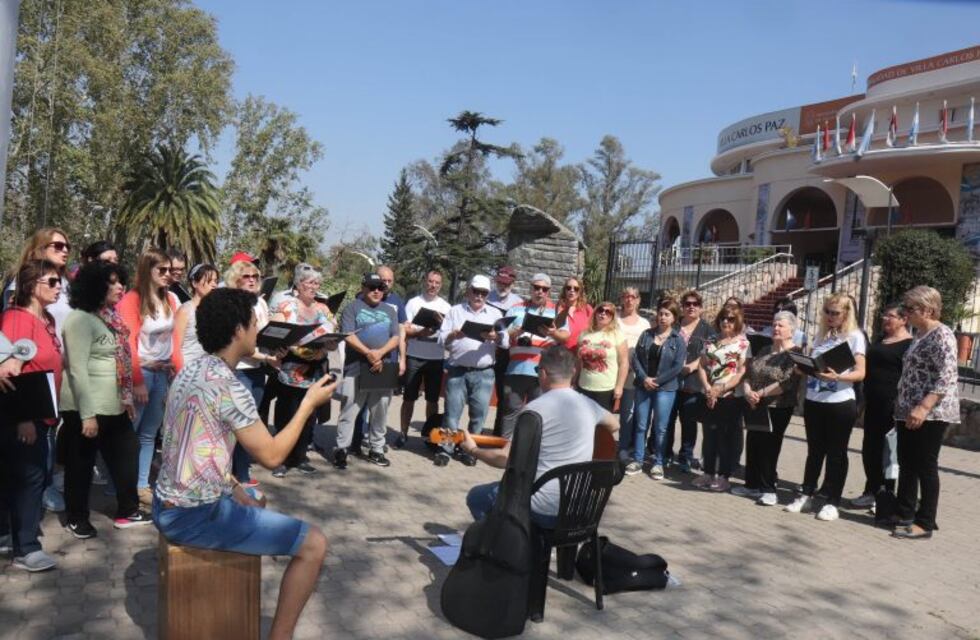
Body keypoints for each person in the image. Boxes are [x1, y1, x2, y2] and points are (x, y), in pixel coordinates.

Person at [153, 287, 334, 640]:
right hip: (193, 515)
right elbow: (272, 456)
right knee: (315, 545)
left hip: (169, 504)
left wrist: (235, 488)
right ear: (238, 330)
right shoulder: (229, 386)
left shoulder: (191, 371)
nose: (259, 329)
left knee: (255, 497)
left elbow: (197, 449)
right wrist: (308, 404)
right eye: (255, 322)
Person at [463, 346, 619, 527]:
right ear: (574, 372)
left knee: (477, 497)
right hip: (578, 508)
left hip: (541, 507)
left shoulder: (534, 410)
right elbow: (615, 425)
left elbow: (504, 459)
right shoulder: (589, 405)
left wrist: (473, 450)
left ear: (543, 373)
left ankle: (505, 548)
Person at [59, 260, 151, 540]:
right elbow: (76, 369)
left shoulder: (111, 317)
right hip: (84, 406)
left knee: (128, 451)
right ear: (94, 286)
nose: (119, 286)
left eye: (120, 281)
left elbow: (120, 362)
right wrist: (87, 415)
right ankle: (76, 517)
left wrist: (125, 400)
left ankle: (128, 510)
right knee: (81, 465)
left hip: (113, 404)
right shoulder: (79, 319)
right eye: (111, 282)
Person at [0, 260, 65, 571]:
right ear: (30, 286)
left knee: (33, 475)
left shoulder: (47, 319)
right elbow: (9, 373)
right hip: (26, 416)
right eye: (51, 281)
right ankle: (26, 548)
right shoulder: (16, 319)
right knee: (30, 478)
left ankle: (11, 536)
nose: (58, 286)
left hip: (45, 414)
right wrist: (24, 419)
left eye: (59, 281)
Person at [785, 293, 866, 522]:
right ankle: (807, 493)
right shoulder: (821, 336)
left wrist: (838, 376)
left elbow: (861, 372)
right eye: (827, 312)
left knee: (836, 453)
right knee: (814, 451)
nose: (830, 317)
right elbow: (815, 364)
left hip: (839, 402)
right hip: (814, 400)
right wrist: (804, 367)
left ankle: (832, 501)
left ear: (846, 314)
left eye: (835, 313)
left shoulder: (854, 337)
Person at [891, 286, 959, 540]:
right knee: (907, 462)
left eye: (911, 309)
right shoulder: (920, 334)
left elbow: (947, 376)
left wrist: (923, 406)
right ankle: (905, 512)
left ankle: (925, 522)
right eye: (905, 308)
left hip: (930, 413)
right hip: (907, 410)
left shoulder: (942, 335)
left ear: (929, 309)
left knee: (925, 465)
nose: (905, 313)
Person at [117, 248, 180, 506]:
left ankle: (142, 484)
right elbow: (127, 344)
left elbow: (175, 341)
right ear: (148, 270)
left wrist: (177, 371)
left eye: (170, 270)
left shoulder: (171, 300)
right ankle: (121, 485)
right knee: (128, 433)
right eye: (161, 270)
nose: (168, 275)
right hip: (140, 372)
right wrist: (137, 380)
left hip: (162, 374)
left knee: (149, 434)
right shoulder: (132, 299)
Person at [270, 264, 335, 478]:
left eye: (317, 283)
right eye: (309, 282)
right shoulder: (287, 305)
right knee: (287, 414)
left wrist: (324, 348)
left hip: (315, 369)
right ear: (299, 284)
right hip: (290, 368)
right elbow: (276, 332)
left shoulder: (323, 309)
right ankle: (280, 459)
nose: (314, 286)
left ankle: (300, 457)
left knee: (309, 415)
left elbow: (333, 340)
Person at [332, 273, 401, 470]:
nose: (377, 291)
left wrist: (379, 354)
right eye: (372, 287)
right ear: (363, 288)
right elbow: (348, 336)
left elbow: (396, 337)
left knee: (380, 411)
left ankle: (376, 449)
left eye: (380, 287)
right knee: (350, 409)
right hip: (356, 366)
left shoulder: (390, 310)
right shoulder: (352, 308)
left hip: (382, 366)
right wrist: (369, 353)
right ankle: (341, 449)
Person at [736, 311, 803, 505]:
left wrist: (761, 393)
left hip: (778, 406)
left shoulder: (795, 353)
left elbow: (788, 382)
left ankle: (769, 489)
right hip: (755, 404)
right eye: (774, 324)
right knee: (754, 442)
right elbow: (749, 373)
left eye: (780, 325)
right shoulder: (765, 350)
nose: (776, 328)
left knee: (770, 446)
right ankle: (752, 485)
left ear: (791, 330)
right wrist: (748, 390)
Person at [851, 302, 911, 511]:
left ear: (904, 319)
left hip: (892, 405)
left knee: (889, 452)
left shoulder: (908, 345)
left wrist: (899, 403)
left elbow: (907, 377)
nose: (886, 319)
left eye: (891, 316)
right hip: (873, 403)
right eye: (884, 315)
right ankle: (871, 490)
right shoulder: (880, 340)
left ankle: (886, 495)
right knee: (870, 449)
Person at [438, 275, 503, 465]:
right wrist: (453, 334)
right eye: (476, 291)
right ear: (469, 291)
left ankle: (469, 450)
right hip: (458, 369)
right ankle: (445, 449)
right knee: (451, 413)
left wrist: (495, 336)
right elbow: (441, 339)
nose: (479, 296)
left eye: (483, 293)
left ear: (488, 294)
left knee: (479, 415)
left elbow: (506, 342)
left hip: (484, 372)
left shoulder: (495, 314)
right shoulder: (455, 311)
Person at [498, 273, 570, 438]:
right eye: (536, 288)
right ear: (531, 289)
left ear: (549, 292)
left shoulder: (556, 311)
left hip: (543, 371)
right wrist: (516, 331)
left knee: (536, 415)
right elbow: (501, 335)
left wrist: (553, 333)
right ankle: (506, 448)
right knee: (510, 411)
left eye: (544, 289)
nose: (540, 292)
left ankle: (528, 450)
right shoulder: (516, 308)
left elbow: (566, 336)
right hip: (516, 369)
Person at [229, 259, 280, 485]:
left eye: (255, 277)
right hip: (238, 370)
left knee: (251, 421)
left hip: (258, 370)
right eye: (246, 276)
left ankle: (241, 470)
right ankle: (233, 473)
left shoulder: (260, 303)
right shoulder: (232, 304)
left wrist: (280, 345)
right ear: (236, 279)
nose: (252, 280)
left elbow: (268, 333)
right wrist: (267, 357)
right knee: (236, 425)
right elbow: (240, 344)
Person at [693, 306, 749, 492]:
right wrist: (709, 388)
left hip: (730, 397)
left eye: (731, 319)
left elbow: (742, 371)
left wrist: (722, 388)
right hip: (710, 395)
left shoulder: (743, 344)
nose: (727, 322)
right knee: (709, 436)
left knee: (726, 439)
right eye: (724, 318)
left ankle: (724, 476)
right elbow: (702, 366)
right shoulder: (711, 341)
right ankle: (708, 472)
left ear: (738, 321)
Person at [629, 299, 686, 479]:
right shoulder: (646, 334)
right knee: (640, 424)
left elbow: (677, 367)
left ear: (674, 318)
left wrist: (657, 381)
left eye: (667, 314)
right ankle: (637, 459)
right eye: (661, 313)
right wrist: (644, 378)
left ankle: (658, 463)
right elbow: (635, 358)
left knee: (661, 428)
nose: (662, 317)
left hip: (665, 389)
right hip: (643, 386)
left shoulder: (678, 340)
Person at [398, 270, 451, 448]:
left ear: (441, 285)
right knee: (409, 398)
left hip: (436, 358)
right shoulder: (413, 303)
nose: (433, 285)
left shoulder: (446, 307)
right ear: (425, 281)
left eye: (437, 282)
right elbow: (404, 330)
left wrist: (441, 325)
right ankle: (403, 434)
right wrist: (421, 332)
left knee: (433, 400)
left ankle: (431, 437)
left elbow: (450, 334)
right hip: (414, 356)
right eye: (430, 281)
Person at [666, 289, 714, 473]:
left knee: (689, 422)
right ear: (682, 307)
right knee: (668, 420)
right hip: (670, 381)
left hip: (693, 383)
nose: (691, 307)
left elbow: (708, 355)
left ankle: (685, 457)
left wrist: (691, 367)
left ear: (701, 308)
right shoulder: (674, 327)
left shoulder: (708, 330)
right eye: (687, 304)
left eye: (695, 304)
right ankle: (665, 453)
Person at [616, 287, 651, 464]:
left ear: (638, 300)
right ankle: (613, 446)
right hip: (612, 372)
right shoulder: (614, 320)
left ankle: (626, 447)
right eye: (626, 296)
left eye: (633, 297)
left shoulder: (644, 324)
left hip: (634, 375)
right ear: (622, 299)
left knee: (629, 413)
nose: (629, 300)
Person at [488, 265, 522, 435]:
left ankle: (498, 432)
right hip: (486, 350)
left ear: (513, 283)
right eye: (500, 282)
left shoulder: (518, 303)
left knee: (504, 395)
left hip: (505, 353)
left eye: (506, 283)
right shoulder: (486, 297)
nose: (502, 286)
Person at [575, 300, 627, 410]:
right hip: (584, 386)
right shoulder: (584, 334)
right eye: (600, 310)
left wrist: (619, 386)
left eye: (608, 312)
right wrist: (574, 380)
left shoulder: (617, 335)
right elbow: (578, 361)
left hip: (605, 389)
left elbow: (624, 362)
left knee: (601, 425)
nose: (603, 313)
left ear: (612, 317)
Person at [171, 264, 220, 372]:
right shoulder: (185, 311)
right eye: (209, 281)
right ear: (194, 283)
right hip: (186, 371)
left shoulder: (215, 310)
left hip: (207, 372)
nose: (214, 285)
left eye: (216, 281)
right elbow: (175, 347)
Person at [557, 276, 593, 351]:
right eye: (568, 288)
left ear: (580, 292)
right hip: (562, 353)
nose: (572, 290)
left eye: (576, 289)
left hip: (581, 353)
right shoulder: (559, 307)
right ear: (565, 290)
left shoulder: (587, 309)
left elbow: (594, 328)